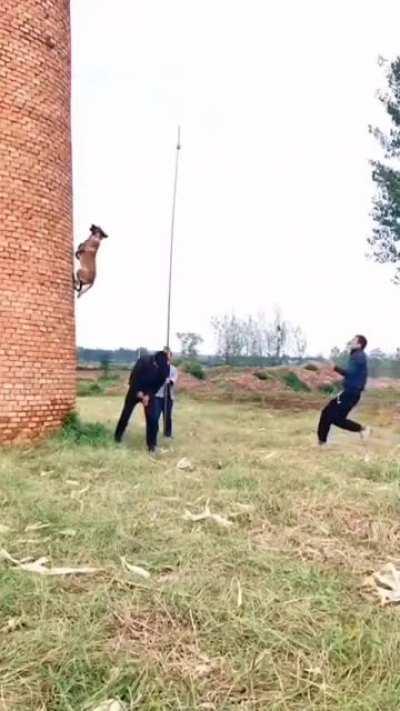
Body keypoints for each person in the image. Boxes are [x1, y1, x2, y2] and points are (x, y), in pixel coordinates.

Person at [317, 335, 370, 446]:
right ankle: (362, 429)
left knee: (328, 414)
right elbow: (352, 374)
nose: (350, 341)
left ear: (359, 344)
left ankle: (322, 443)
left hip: (350, 393)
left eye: (353, 340)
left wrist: (334, 367)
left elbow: (349, 373)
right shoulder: (356, 355)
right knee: (335, 417)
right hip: (351, 393)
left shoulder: (358, 356)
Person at [114, 350, 169, 452]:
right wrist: (138, 392)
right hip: (135, 390)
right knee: (126, 414)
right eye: (157, 365)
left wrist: (148, 395)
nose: (158, 368)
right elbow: (133, 378)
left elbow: (158, 385)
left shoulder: (165, 368)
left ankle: (151, 445)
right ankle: (117, 437)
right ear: (154, 361)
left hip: (149, 392)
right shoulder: (143, 361)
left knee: (152, 418)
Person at [155, 348, 178, 438]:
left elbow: (172, 381)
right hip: (157, 396)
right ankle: (154, 432)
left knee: (167, 416)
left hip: (168, 397)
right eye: (165, 355)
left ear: (171, 357)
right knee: (155, 416)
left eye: (168, 355)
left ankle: (167, 434)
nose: (167, 357)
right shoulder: (157, 368)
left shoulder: (173, 369)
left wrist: (168, 380)